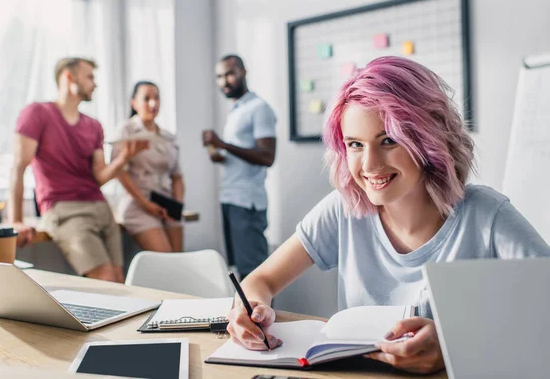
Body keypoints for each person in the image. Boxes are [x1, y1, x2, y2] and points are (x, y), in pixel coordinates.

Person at [225, 56, 550, 374]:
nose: (369, 165)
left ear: (428, 139)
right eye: (355, 144)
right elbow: (261, 280)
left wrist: (454, 346)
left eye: (389, 140)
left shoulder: (487, 216)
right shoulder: (343, 209)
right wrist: (249, 308)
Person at [9, 57, 148, 282]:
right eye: (90, 77)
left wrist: (125, 157)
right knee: (105, 279)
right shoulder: (37, 114)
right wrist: (15, 219)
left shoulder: (94, 126)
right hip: (64, 210)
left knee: (120, 282)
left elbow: (100, 176)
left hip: (101, 209)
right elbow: (18, 167)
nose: (95, 83)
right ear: (68, 77)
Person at [202, 54, 277, 280]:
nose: (224, 81)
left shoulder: (259, 108)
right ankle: (247, 316)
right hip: (231, 199)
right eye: (219, 76)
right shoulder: (236, 110)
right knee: (240, 273)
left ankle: (261, 316)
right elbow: (240, 154)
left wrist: (222, 144)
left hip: (247, 203)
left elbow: (267, 156)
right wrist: (218, 154)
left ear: (243, 72)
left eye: (230, 73)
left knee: (255, 275)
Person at [112, 81, 185, 253]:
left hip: (166, 204)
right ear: (134, 103)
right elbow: (120, 173)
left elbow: (177, 176)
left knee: (181, 262)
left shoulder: (168, 136)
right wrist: (145, 204)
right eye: (146, 99)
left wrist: (177, 206)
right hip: (139, 204)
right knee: (166, 260)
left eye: (157, 98)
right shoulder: (126, 130)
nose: (153, 104)